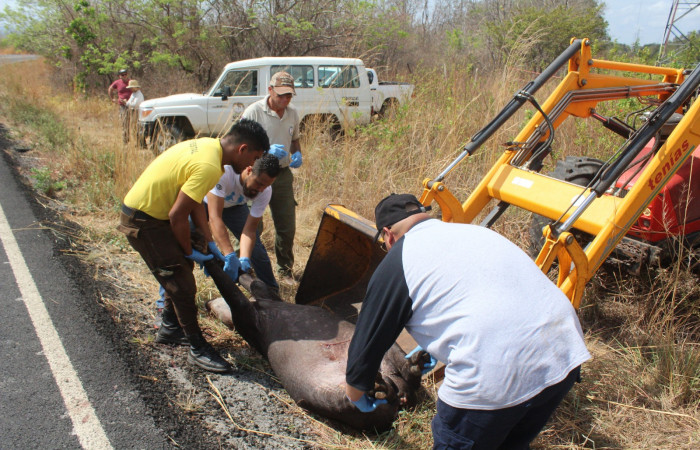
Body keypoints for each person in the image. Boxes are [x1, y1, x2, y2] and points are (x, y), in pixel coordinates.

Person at [345, 193, 591, 449]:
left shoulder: (398, 260)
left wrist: (356, 393)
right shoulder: (477, 234)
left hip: (495, 374)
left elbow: (366, 345)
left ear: (388, 234)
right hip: (564, 353)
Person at [117, 119, 270, 373]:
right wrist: (189, 252)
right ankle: (197, 347)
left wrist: (207, 241)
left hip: (156, 213)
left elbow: (195, 201)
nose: (252, 166)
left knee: (182, 264)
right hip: (144, 220)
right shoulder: (210, 166)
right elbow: (178, 215)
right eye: (254, 158)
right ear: (242, 149)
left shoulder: (209, 147)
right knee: (182, 282)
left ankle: (170, 327)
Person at [241, 71, 302, 284]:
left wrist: (296, 153)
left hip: (282, 174)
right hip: (257, 173)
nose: (285, 100)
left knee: (286, 224)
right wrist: (265, 152)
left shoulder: (292, 113)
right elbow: (242, 147)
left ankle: (284, 270)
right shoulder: (253, 112)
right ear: (270, 90)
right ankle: (249, 268)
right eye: (281, 95)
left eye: (289, 96)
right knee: (253, 224)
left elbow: (294, 139)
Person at [206, 152, 282, 291]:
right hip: (206, 203)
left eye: (265, 186)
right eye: (258, 183)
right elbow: (214, 217)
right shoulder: (225, 173)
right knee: (185, 243)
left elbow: (250, 230)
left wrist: (244, 258)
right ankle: (165, 302)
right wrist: (229, 254)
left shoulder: (265, 190)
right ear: (249, 170)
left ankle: (271, 293)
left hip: (234, 207)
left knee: (257, 251)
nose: (260, 190)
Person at [108, 68, 132, 143]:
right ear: (119, 76)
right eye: (122, 75)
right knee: (124, 122)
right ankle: (125, 139)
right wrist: (112, 99)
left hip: (132, 105)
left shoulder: (131, 82)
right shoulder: (117, 82)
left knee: (133, 122)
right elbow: (110, 89)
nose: (124, 76)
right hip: (123, 106)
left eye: (125, 74)